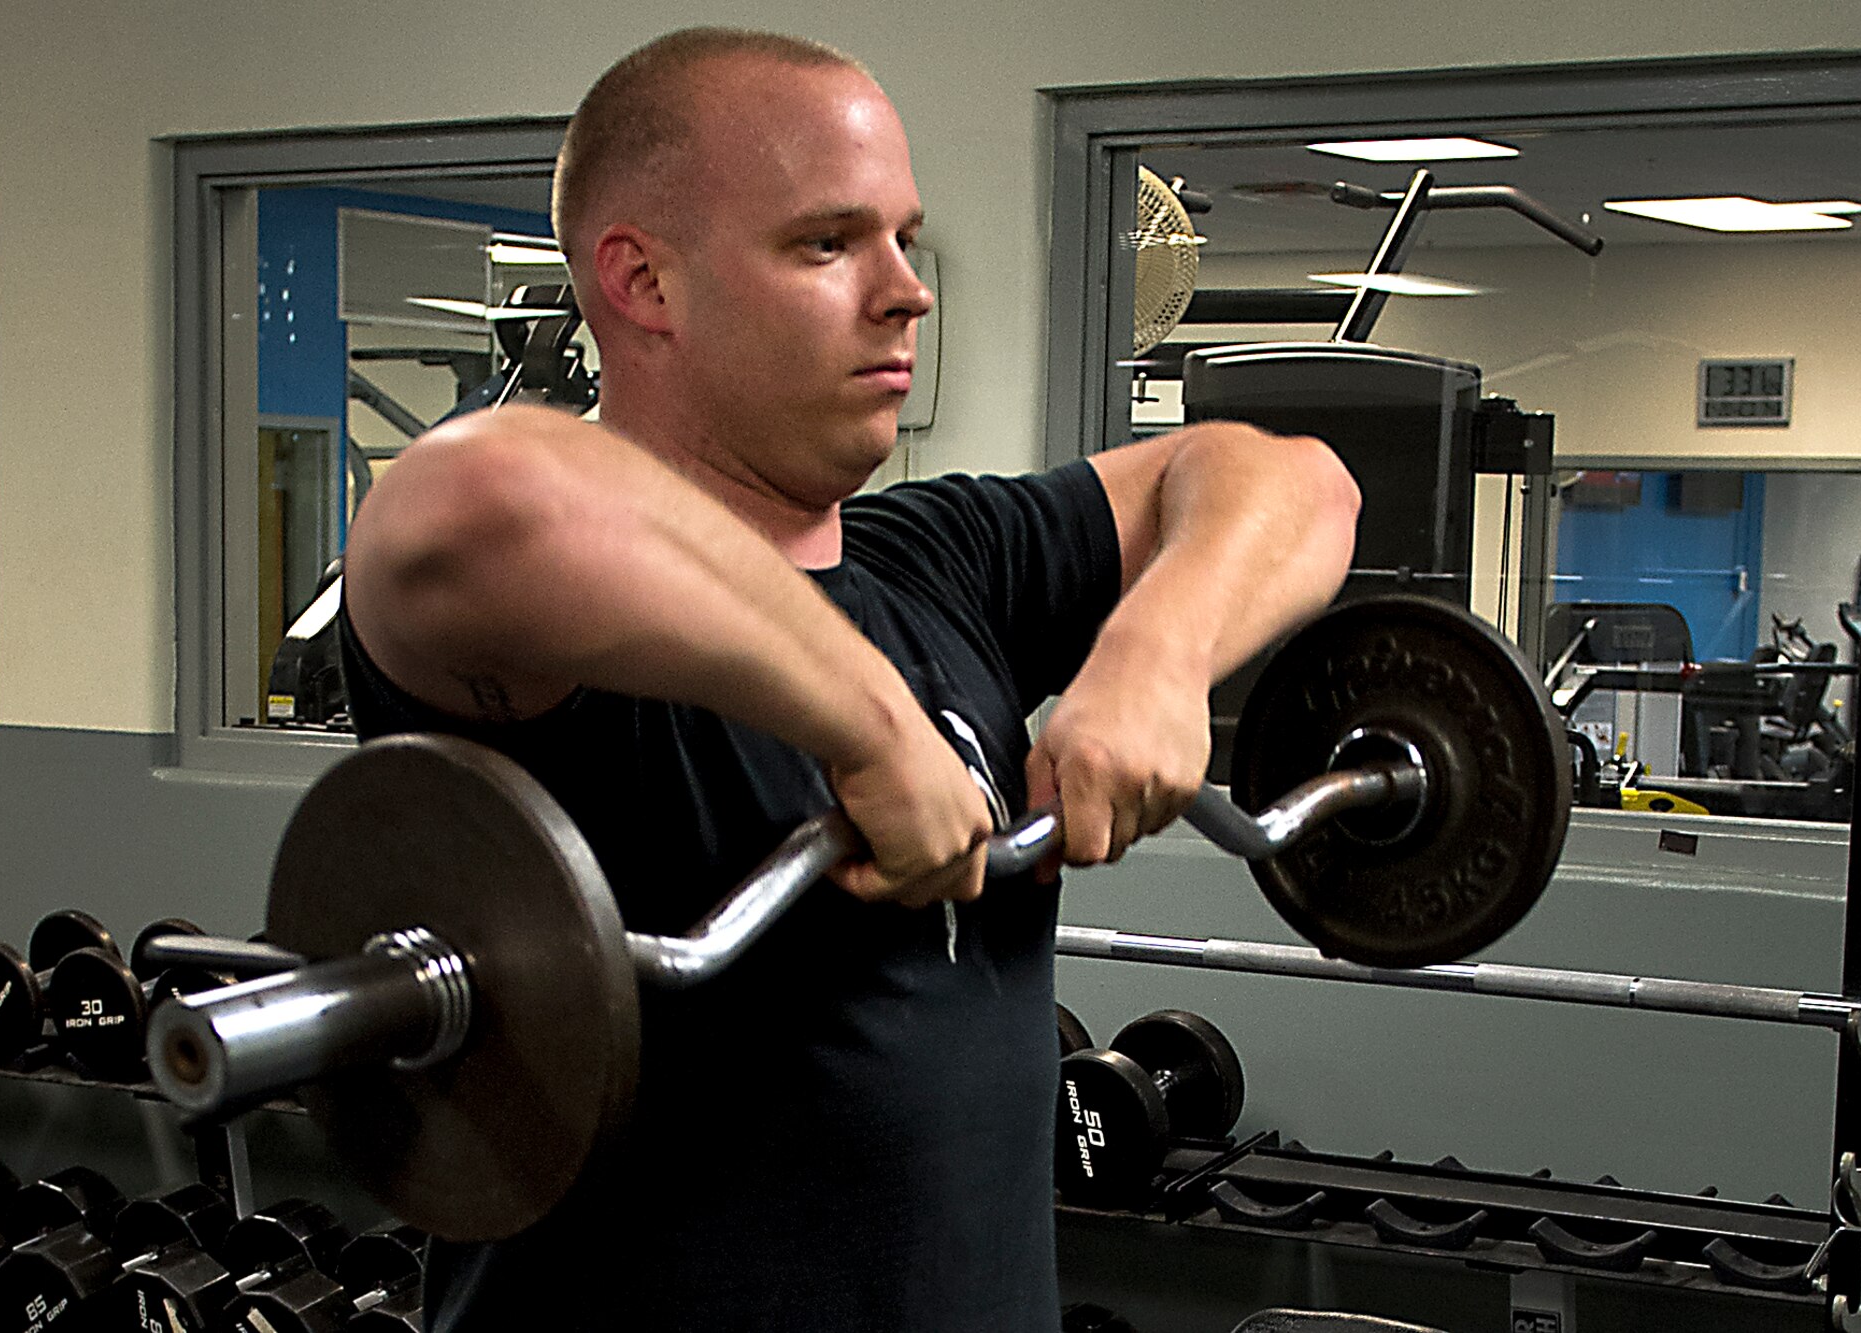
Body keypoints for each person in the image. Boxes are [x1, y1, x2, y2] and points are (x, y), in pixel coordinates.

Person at [338, 26, 1360, 1332]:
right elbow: (470, 496)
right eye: (828, 244)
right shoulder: (549, 655)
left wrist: (1157, 656)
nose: (906, 291)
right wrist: (871, 724)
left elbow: (1297, 483)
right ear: (642, 281)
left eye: (903, 237)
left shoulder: (939, 559)